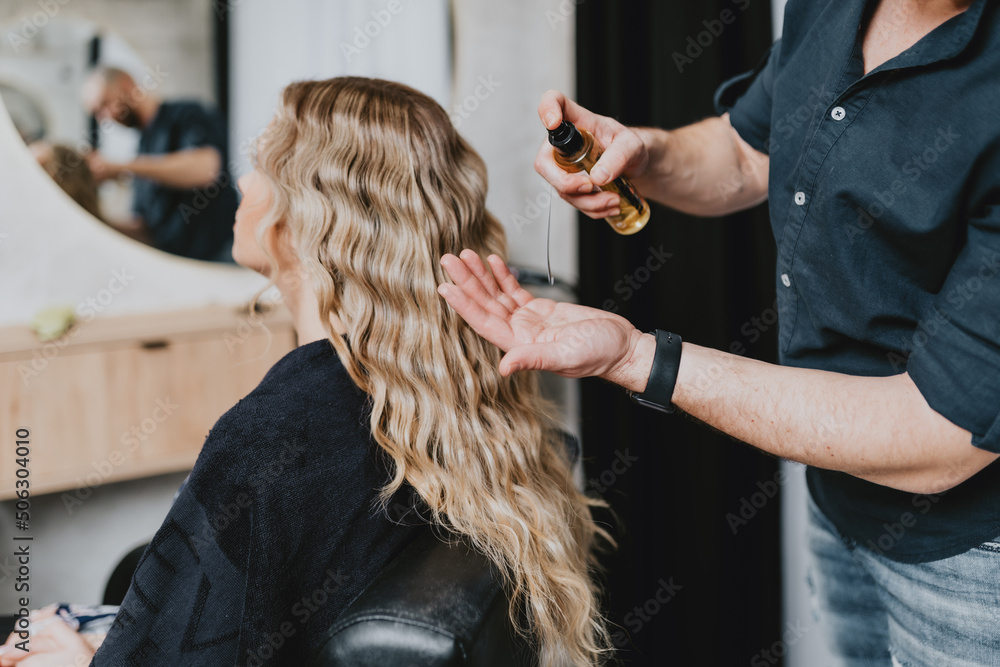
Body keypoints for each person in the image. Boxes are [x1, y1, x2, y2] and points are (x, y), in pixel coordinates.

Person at [438, 0, 1000, 664]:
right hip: (840, 501)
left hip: (967, 560)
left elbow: (939, 435)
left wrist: (639, 356)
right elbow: (745, 148)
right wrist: (641, 154)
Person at [1, 77, 610, 666]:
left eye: (260, 163)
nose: (241, 181)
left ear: (305, 219)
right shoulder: (446, 390)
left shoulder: (270, 434)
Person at [80, 67, 237, 262]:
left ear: (126, 84)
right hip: (185, 268)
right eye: (98, 113)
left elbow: (207, 169)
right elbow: (146, 231)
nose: (106, 117)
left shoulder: (186, 113)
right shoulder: (141, 152)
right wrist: (93, 219)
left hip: (223, 256)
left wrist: (121, 167)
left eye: (105, 103)